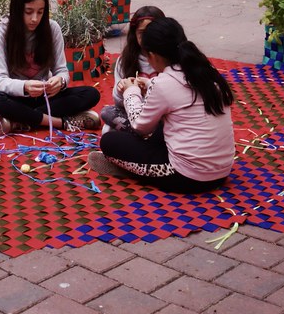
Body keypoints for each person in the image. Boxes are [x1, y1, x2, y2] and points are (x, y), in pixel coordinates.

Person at [90, 17, 235, 193]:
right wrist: (148, 84)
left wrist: (131, 91)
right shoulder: (205, 71)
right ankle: (136, 165)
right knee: (159, 127)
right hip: (221, 171)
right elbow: (178, 93)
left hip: (188, 177)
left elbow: (139, 126)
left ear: (152, 55)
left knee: (109, 142)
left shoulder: (164, 83)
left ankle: (135, 170)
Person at [0, 0, 100, 134]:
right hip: (16, 97)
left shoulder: (52, 29)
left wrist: (60, 81)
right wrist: (24, 87)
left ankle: (21, 120)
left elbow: (62, 70)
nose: (35, 19)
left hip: (46, 97)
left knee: (91, 94)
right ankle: (59, 122)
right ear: (17, 10)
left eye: (40, 12)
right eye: (28, 12)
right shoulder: (1, 33)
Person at [101, 6, 166, 134]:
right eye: (142, 33)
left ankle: (144, 134)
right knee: (107, 116)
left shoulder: (168, 60)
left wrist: (149, 88)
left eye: (152, 33)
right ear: (134, 34)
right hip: (134, 113)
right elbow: (118, 101)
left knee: (111, 135)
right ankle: (144, 134)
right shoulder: (125, 60)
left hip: (162, 115)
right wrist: (122, 89)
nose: (147, 39)